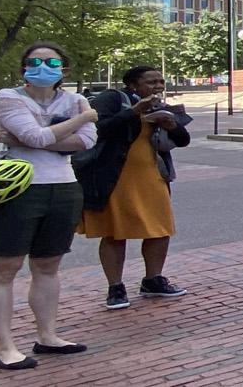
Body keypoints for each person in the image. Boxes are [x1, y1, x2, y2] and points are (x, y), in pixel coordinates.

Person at [0, 42, 98, 370]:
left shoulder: (75, 100)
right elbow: (35, 138)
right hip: (17, 189)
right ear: (23, 69)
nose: (43, 67)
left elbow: (87, 141)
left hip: (63, 188)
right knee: (4, 269)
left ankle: (48, 335)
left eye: (51, 62)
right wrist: (83, 119)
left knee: (48, 267)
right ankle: (5, 348)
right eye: (34, 62)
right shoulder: (8, 98)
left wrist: (28, 137)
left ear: (65, 69)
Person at [76, 65, 191, 311]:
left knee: (160, 229)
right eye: (151, 82)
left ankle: (153, 280)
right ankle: (115, 287)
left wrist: (170, 124)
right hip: (116, 177)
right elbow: (95, 128)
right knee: (115, 232)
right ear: (133, 84)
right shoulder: (113, 98)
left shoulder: (159, 104)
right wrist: (135, 114)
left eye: (161, 81)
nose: (158, 86)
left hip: (153, 176)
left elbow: (183, 139)